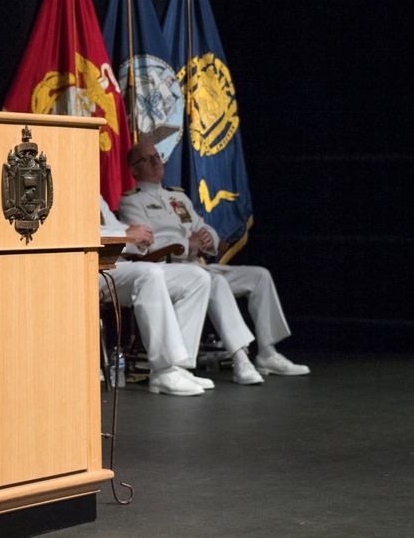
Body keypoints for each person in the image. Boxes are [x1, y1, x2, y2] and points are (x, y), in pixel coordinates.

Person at [119, 142, 310, 386]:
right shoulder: (131, 202)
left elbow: (201, 225)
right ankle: (241, 359)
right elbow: (146, 241)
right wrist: (187, 243)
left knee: (259, 275)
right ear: (134, 170)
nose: (156, 162)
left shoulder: (177, 196)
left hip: (197, 264)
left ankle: (267, 352)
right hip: (173, 267)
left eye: (157, 156)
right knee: (215, 281)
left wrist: (208, 238)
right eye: (147, 159)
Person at [99, 195, 213, 396]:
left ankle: (180, 366)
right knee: (150, 274)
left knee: (196, 277)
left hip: (118, 265)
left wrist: (140, 241)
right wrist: (125, 234)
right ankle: (163, 370)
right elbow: (77, 233)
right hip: (90, 267)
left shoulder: (95, 195)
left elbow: (116, 227)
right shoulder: (62, 188)